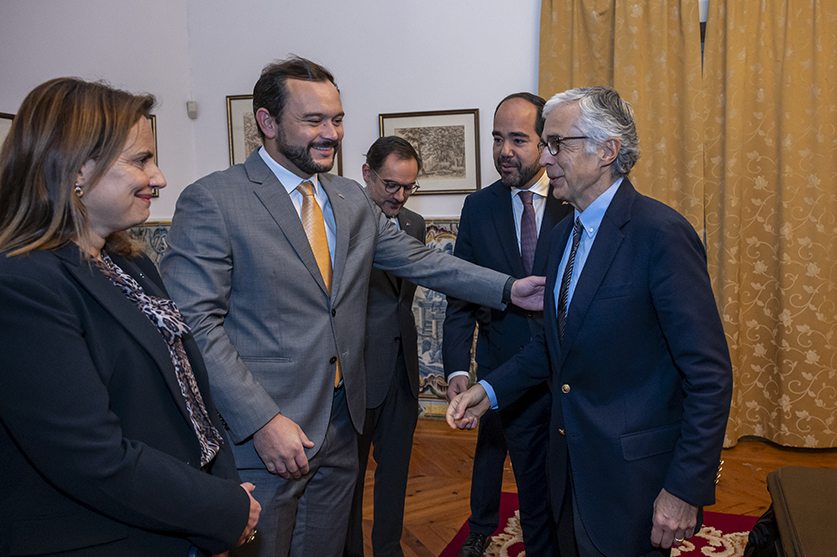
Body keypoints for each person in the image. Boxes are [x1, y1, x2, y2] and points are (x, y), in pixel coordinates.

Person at [160, 56, 545, 557]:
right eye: (314, 120)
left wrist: (509, 288)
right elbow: (194, 326)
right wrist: (262, 421)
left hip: (342, 428)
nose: (332, 134)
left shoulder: (347, 198)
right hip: (266, 439)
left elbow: (421, 260)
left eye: (337, 120)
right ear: (267, 122)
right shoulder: (214, 199)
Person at [447, 86, 733, 557]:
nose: (546, 157)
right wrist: (489, 391)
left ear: (607, 151)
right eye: (545, 143)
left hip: (632, 482)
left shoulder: (660, 235)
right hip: (567, 469)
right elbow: (554, 344)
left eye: (557, 143)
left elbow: (709, 376)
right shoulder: (564, 235)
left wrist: (685, 487)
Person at [0, 77, 260, 557]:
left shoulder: (129, 263)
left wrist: (222, 502)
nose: (158, 178)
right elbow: (91, 457)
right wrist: (220, 510)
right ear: (77, 168)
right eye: (141, 160)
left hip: (180, 522)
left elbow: (191, 398)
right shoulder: (22, 285)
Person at [443, 93, 571, 557]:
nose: (504, 151)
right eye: (498, 138)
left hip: (570, 374)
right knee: (532, 492)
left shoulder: (574, 199)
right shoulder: (478, 208)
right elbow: (461, 295)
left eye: (518, 139)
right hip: (505, 373)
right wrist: (458, 368)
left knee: (573, 491)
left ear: (545, 142)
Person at [344, 136, 425, 557]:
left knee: (395, 475)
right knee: (351, 478)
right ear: (367, 173)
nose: (400, 196)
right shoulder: (342, 222)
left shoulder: (414, 223)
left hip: (402, 372)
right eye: (391, 185)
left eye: (409, 187)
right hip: (357, 373)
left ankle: (389, 550)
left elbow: (401, 299)